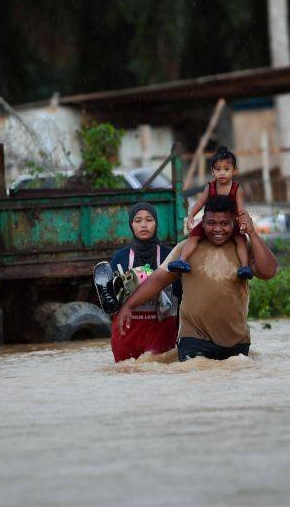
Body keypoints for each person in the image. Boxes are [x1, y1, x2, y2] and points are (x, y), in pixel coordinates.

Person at [118, 194, 278, 361]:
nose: (218, 229)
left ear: (234, 223)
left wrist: (251, 233)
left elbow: (268, 272)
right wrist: (128, 305)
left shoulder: (243, 248)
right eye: (211, 223)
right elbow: (157, 280)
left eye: (224, 223)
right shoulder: (186, 249)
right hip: (194, 338)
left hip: (237, 341)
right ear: (202, 223)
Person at [107, 202, 180, 362]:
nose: (144, 225)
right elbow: (110, 301)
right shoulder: (120, 258)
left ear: (156, 223)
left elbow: (182, 297)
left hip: (162, 334)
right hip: (127, 336)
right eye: (138, 220)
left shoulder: (170, 255)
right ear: (131, 225)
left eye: (149, 220)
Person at [168, 146, 253, 280]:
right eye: (218, 170)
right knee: (193, 236)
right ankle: (182, 260)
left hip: (231, 221)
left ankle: (244, 266)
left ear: (234, 171)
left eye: (226, 169)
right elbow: (200, 203)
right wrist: (191, 216)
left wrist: (242, 223)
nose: (222, 173)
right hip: (210, 222)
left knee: (240, 241)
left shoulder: (237, 189)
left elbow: (241, 209)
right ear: (213, 172)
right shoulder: (211, 187)